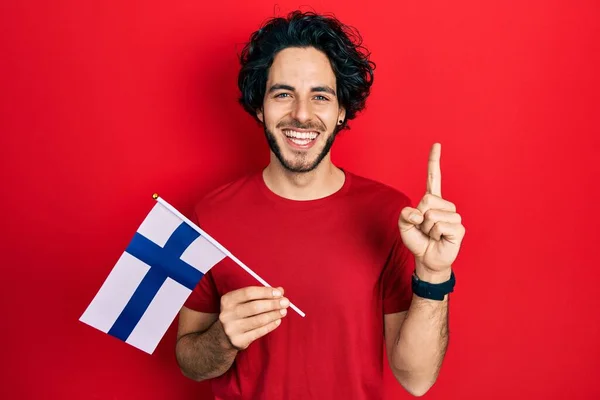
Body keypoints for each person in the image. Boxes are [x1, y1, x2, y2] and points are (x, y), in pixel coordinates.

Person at [175, 10, 465, 399]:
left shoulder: (390, 213)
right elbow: (189, 362)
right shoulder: (209, 215)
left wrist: (433, 272)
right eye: (283, 94)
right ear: (260, 107)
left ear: (341, 110)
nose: (301, 114)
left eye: (320, 96)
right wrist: (222, 339)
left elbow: (416, 379)